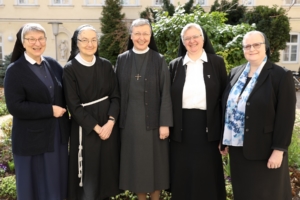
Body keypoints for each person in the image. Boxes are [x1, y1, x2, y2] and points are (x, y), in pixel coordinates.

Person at [221, 30, 296, 200]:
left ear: (266, 47)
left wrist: (279, 149)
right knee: (244, 194)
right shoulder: (235, 73)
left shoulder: (280, 75)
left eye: (256, 45)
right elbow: (226, 108)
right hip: (238, 150)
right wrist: (223, 139)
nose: (251, 49)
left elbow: (286, 116)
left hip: (265, 151)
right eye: (247, 46)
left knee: (267, 195)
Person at [4, 23, 70, 200]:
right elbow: (15, 106)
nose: (37, 43)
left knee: (56, 187)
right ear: (23, 43)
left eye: (41, 38)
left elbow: (68, 93)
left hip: (56, 137)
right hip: (30, 141)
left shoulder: (54, 65)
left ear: (46, 41)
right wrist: (49, 110)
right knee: (34, 188)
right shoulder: (15, 70)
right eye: (31, 39)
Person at [116, 18, 173, 200]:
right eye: (138, 34)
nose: (142, 38)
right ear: (131, 36)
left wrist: (165, 123)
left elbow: (166, 93)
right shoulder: (122, 59)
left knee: (156, 166)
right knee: (137, 167)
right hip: (130, 124)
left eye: (146, 34)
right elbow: (116, 93)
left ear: (150, 36)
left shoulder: (159, 59)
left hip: (155, 124)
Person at [169, 23, 227, 200]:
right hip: (181, 129)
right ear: (183, 42)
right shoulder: (174, 65)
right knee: (183, 173)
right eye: (187, 38)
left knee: (207, 174)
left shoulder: (216, 62)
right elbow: (167, 100)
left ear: (203, 39)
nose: (192, 41)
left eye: (196, 37)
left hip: (209, 128)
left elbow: (224, 100)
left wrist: (224, 136)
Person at [63, 24, 120, 200]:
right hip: (85, 129)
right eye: (85, 40)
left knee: (107, 175)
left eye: (94, 40)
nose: (90, 44)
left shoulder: (105, 65)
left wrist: (110, 123)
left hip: (108, 127)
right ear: (76, 42)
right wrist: (97, 128)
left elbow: (116, 97)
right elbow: (73, 105)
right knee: (89, 179)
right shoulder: (70, 69)